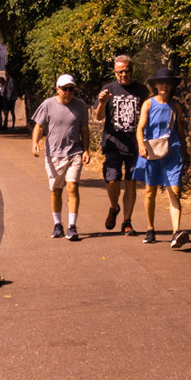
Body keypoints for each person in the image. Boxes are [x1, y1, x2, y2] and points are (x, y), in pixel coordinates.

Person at [92, 54, 148, 235]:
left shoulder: (142, 91)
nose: (123, 75)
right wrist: (102, 104)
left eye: (126, 71)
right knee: (112, 180)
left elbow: (148, 115)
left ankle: (127, 221)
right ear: (114, 72)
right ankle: (114, 207)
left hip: (135, 145)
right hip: (113, 144)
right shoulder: (108, 90)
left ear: (132, 70)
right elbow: (98, 117)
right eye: (119, 72)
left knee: (131, 183)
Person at [30, 73, 90, 241]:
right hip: (54, 154)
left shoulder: (80, 106)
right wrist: (35, 143)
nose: (68, 92)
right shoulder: (48, 105)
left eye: (71, 89)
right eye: (65, 89)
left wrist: (86, 150)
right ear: (57, 89)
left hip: (74, 152)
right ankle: (57, 225)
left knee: (72, 187)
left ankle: (72, 226)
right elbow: (39, 126)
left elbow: (84, 129)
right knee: (56, 190)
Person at [138, 67, 189, 247]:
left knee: (174, 191)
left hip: (172, 151)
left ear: (172, 86)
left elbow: (180, 131)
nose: (164, 87)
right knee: (150, 191)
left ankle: (176, 232)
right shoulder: (148, 104)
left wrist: (185, 152)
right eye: (160, 83)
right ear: (155, 85)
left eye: (167, 83)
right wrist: (141, 146)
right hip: (152, 151)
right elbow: (140, 128)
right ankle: (150, 228)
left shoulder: (176, 106)